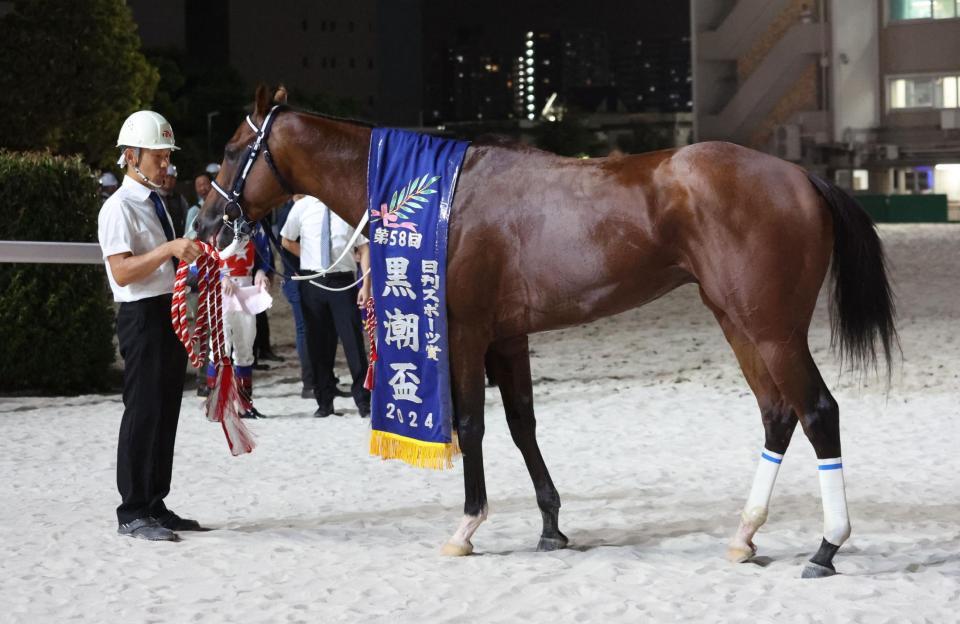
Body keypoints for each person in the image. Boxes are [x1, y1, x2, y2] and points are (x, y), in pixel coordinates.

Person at [97, 110, 204, 541]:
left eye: (166, 157)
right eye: (157, 157)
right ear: (131, 157)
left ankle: (156, 502)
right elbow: (121, 272)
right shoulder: (117, 208)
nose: (165, 165)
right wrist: (169, 250)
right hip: (141, 317)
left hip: (167, 312)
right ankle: (132, 509)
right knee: (142, 412)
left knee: (166, 412)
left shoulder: (160, 202)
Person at [281, 195, 372, 418]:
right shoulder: (302, 207)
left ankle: (364, 401)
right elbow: (286, 240)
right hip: (312, 281)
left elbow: (365, 248)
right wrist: (309, 257)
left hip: (343, 282)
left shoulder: (347, 205)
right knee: (318, 344)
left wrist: (366, 286)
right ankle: (324, 401)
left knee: (353, 343)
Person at [205, 222, 273, 419]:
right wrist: (220, 276)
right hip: (221, 293)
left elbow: (263, 257)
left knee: (245, 350)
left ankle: (244, 405)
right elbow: (198, 261)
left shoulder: (254, 225)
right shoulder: (212, 221)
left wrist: (261, 274)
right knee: (219, 348)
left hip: (246, 291)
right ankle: (216, 404)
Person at [159, 164, 190, 237]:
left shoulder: (180, 198)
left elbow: (187, 219)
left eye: (172, 178)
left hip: (178, 238)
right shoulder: (154, 197)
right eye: (167, 177)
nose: (169, 180)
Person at [185, 172, 212, 240]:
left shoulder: (222, 206)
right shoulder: (193, 211)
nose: (203, 188)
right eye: (199, 185)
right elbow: (188, 237)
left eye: (205, 184)